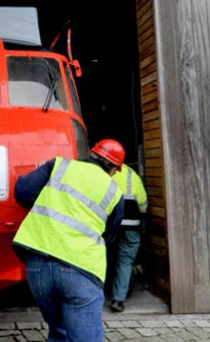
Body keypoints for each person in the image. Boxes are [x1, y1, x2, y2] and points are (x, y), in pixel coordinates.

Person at [12, 139, 126, 342]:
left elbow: (22, 191)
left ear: (91, 153)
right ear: (114, 169)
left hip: (38, 266)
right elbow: (109, 236)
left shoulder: (59, 165)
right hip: (81, 269)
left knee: (59, 334)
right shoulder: (114, 192)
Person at [108, 163, 148, 313]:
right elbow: (143, 203)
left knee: (105, 257)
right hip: (131, 225)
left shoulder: (103, 172)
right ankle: (118, 299)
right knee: (125, 261)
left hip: (110, 225)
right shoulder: (132, 174)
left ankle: (96, 295)